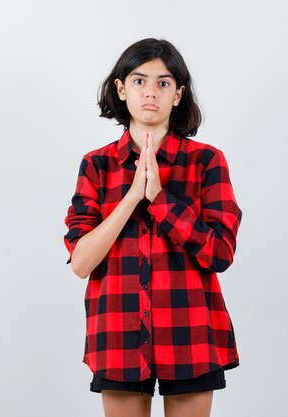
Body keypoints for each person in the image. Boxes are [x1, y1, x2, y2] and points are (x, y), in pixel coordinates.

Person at [63, 38, 243, 417]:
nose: (150, 92)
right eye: (139, 80)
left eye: (163, 83)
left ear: (178, 94)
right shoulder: (96, 166)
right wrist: (131, 198)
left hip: (190, 330)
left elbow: (220, 254)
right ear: (121, 89)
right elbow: (81, 263)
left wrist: (160, 198)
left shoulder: (206, 162)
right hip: (117, 332)